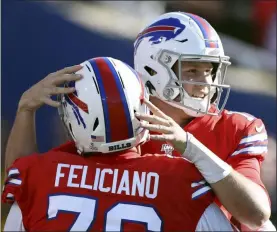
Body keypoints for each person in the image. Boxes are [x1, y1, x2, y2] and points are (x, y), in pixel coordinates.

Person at [2, 57, 235, 231]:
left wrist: (25, 109)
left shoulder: (38, 175)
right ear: (141, 110)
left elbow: (19, 188)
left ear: (74, 119)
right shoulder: (183, 181)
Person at [134, 12, 275, 231]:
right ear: (153, 71)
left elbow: (256, 214)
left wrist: (190, 147)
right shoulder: (125, 123)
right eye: (192, 71)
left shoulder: (235, 127)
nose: (206, 83)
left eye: (210, 71)